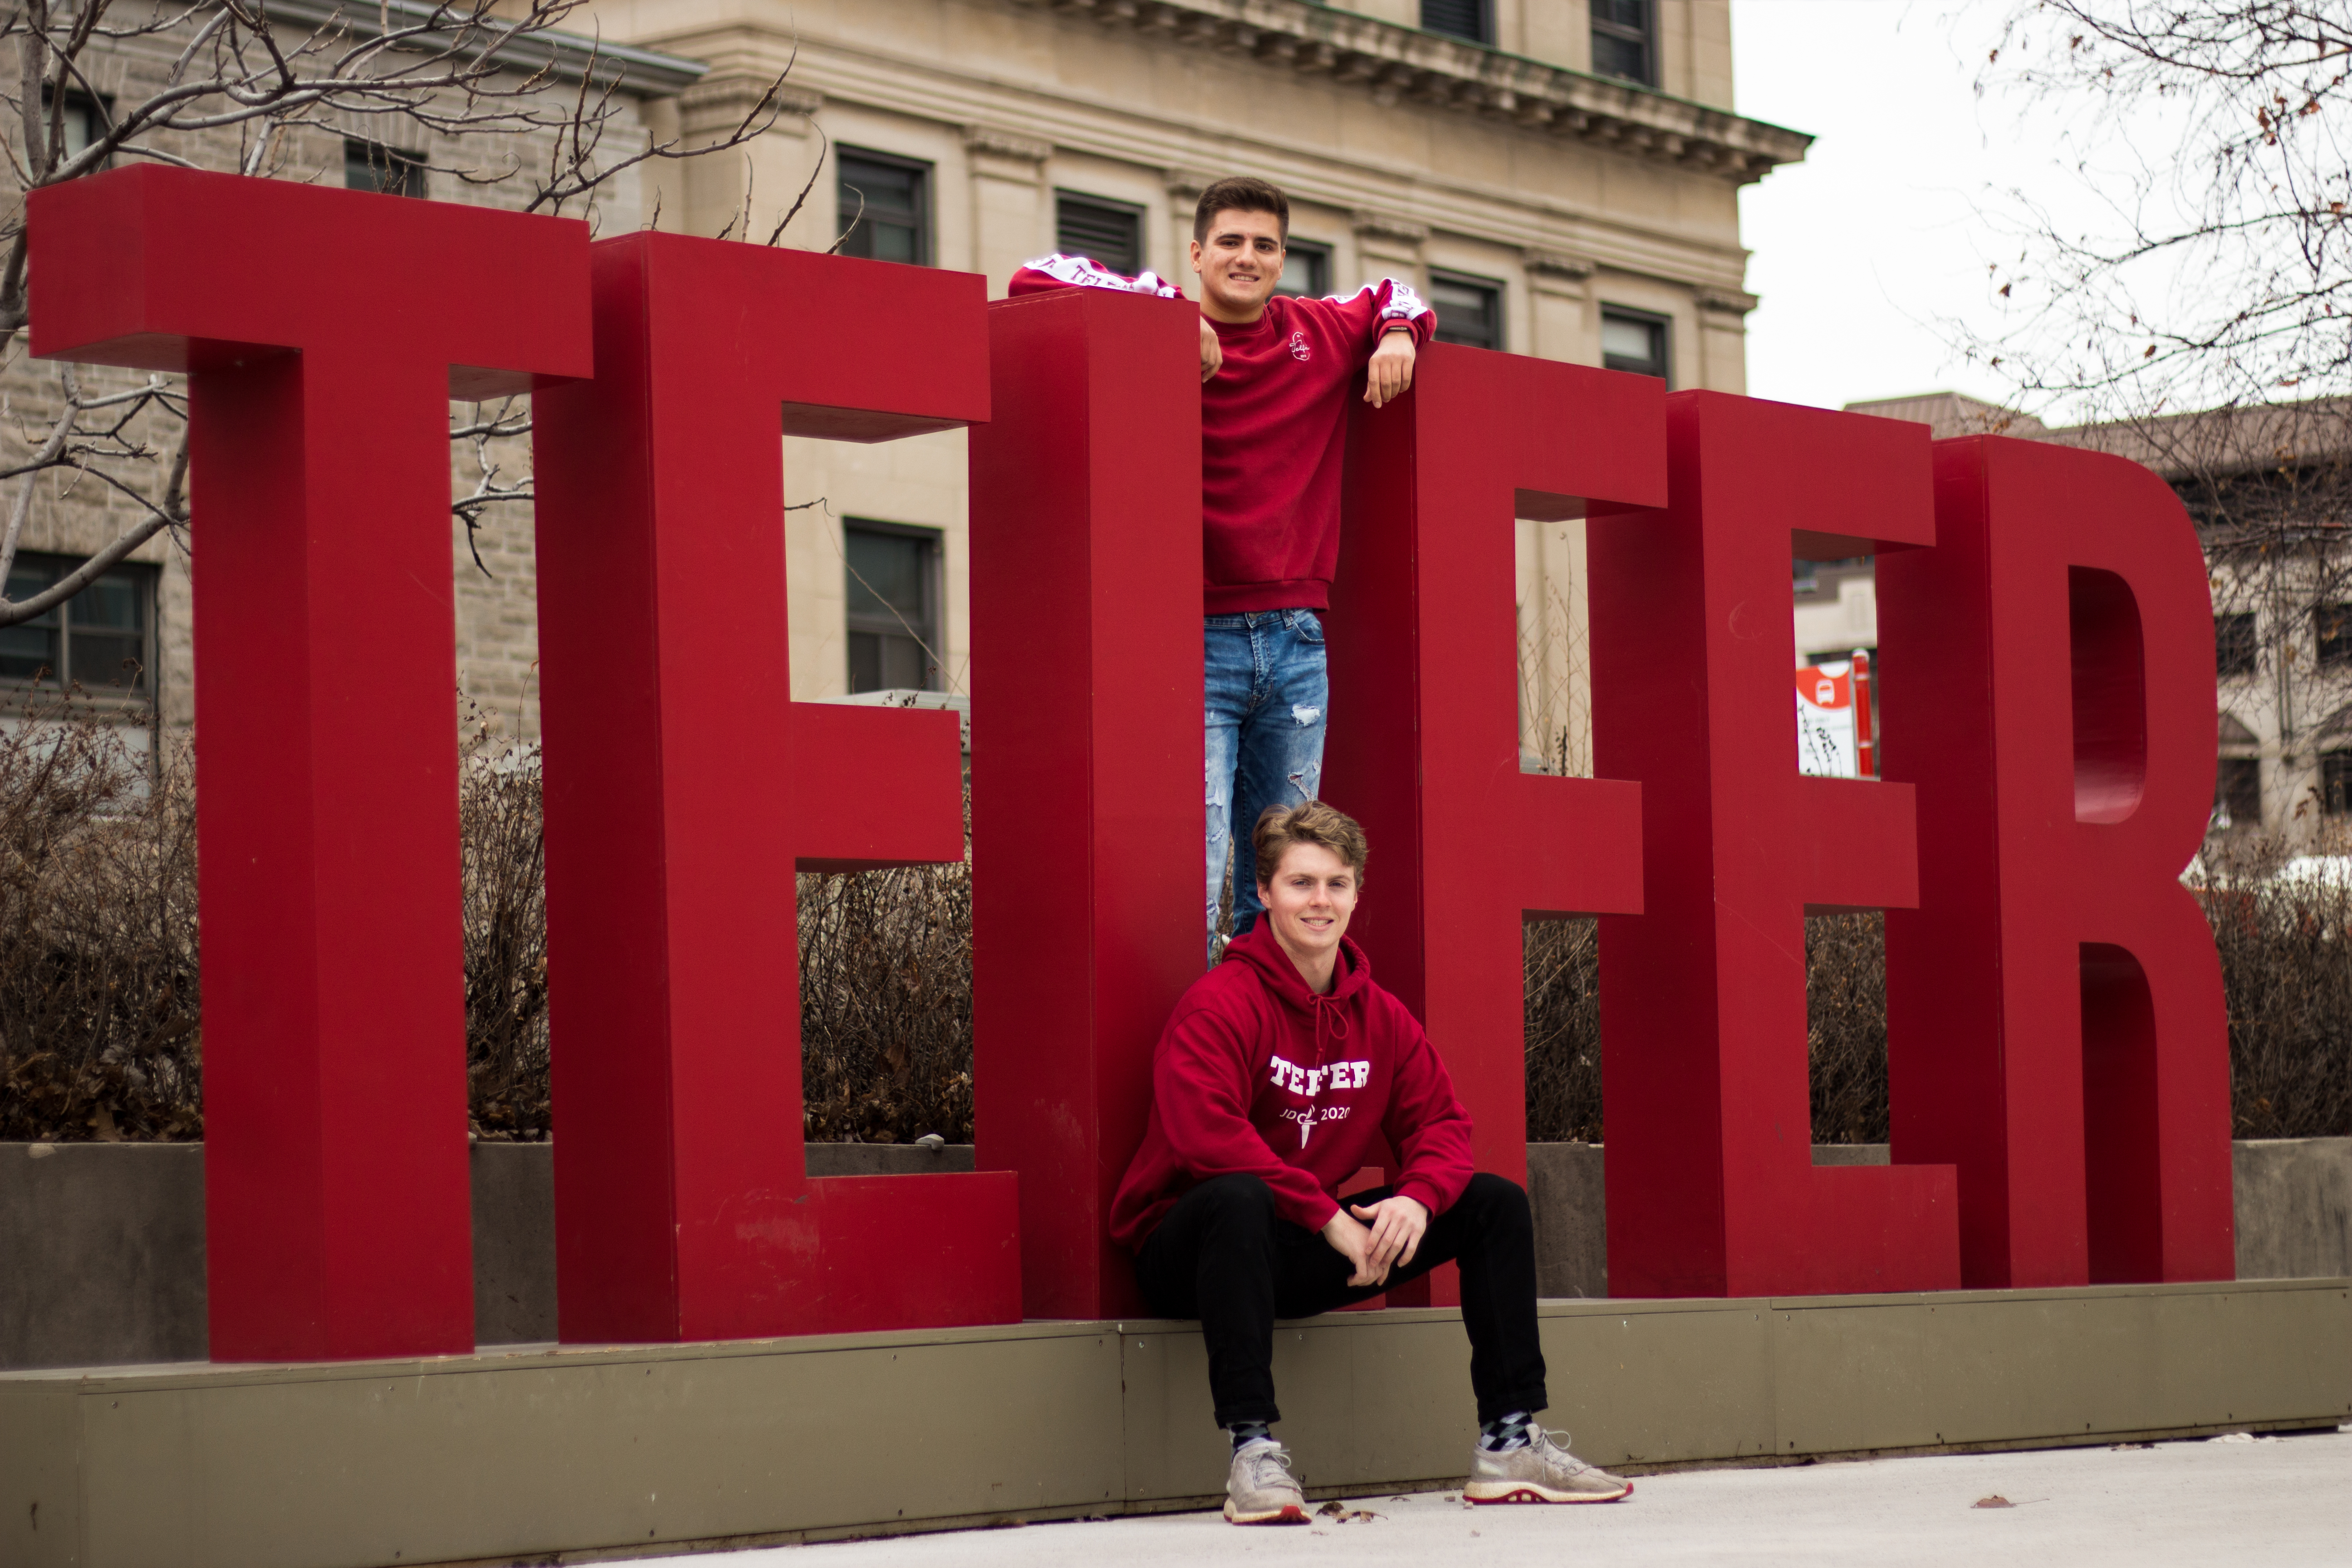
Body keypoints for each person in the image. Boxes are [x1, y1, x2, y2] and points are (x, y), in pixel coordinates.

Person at [1107, 799, 1633, 1524]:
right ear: (1264, 893)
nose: (1319, 901)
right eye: (1300, 883)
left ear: (1356, 894)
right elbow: (1208, 1138)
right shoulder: (1219, 1005)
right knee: (1238, 1197)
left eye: (1336, 883)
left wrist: (1415, 1199)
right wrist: (1328, 1215)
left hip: (1297, 1245)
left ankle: (1509, 1441)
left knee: (1493, 1203)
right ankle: (1254, 1454)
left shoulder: (1379, 1016)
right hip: (1192, 1249)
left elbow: (1443, 1124)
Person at [1010, 177, 1435, 961]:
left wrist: (1403, 332)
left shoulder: (1318, 331)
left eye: (1265, 245)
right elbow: (1034, 274)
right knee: (1195, 871)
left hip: (1299, 644)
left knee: (1290, 875)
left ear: (1282, 260)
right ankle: (1202, 1053)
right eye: (1231, 243)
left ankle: (1272, 1056)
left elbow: (1392, 291)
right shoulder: (1154, 310)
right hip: (1196, 642)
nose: (1249, 257)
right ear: (1198, 253)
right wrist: (1169, 313)